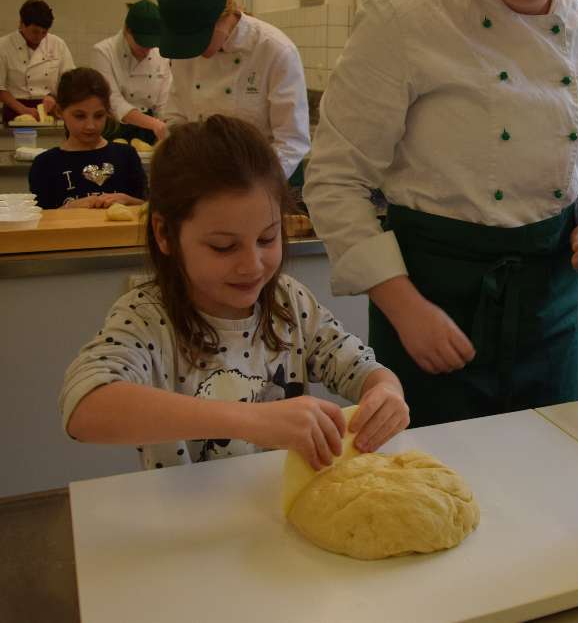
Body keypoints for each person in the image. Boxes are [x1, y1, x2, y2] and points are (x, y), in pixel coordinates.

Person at [304, 0, 578, 427]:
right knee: (425, 482)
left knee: (542, 470)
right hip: (431, 297)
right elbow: (334, 179)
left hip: (547, 304)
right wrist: (404, 308)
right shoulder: (404, 21)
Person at [59, 115, 410, 471]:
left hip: (279, 509)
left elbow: (363, 369)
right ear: (164, 234)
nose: (252, 265)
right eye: (224, 247)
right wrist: (249, 420)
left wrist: (386, 391)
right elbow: (84, 406)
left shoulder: (290, 302)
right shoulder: (147, 317)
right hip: (188, 514)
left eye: (267, 239)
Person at [156, 0, 309, 180]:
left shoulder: (274, 50)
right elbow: (177, 117)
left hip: (265, 177)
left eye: (197, 40)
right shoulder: (185, 55)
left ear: (222, 19)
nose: (193, 52)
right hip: (204, 178)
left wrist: (253, 189)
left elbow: (292, 141)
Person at [28, 67, 146, 209]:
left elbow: (147, 208)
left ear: (108, 112)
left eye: (98, 116)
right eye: (80, 116)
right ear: (59, 112)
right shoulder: (45, 164)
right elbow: (41, 223)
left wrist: (128, 200)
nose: (90, 126)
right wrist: (69, 208)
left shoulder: (126, 156)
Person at [92, 0, 172, 143]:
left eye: (151, 44)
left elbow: (164, 103)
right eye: (142, 43)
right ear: (127, 30)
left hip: (150, 131)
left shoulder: (161, 55)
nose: (147, 50)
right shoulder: (104, 52)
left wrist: (166, 127)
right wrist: (155, 124)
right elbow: (113, 101)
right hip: (115, 128)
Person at [0, 0, 75, 123]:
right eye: (35, 31)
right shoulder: (3, 46)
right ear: (21, 24)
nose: (39, 37)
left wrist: (54, 97)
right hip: (15, 110)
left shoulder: (58, 44)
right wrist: (23, 110)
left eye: (44, 32)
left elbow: (69, 81)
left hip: (50, 110)